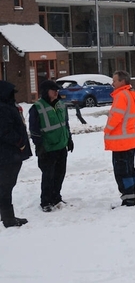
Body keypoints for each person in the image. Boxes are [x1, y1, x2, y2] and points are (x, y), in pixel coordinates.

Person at [29, 79, 74, 212]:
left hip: (61, 145)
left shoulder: (60, 104)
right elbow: (34, 129)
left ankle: (56, 197)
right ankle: (46, 201)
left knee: (60, 174)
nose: (56, 92)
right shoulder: (37, 108)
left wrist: (69, 139)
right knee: (48, 175)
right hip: (48, 148)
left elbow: (65, 124)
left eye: (57, 90)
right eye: (53, 90)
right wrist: (39, 145)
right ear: (45, 92)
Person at [103, 70, 135, 206]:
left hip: (120, 141)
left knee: (122, 171)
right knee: (130, 169)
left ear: (122, 81)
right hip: (130, 139)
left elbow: (116, 117)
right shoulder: (132, 95)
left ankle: (128, 198)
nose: (112, 83)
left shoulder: (121, 96)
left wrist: (107, 130)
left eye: (114, 81)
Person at [0, 80, 32, 228]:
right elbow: (5, 131)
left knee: (6, 186)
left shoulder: (7, 106)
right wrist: (20, 143)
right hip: (8, 155)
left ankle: (7, 216)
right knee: (6, 186)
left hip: (9, 154)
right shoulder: (3, 108)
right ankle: (8, 219)